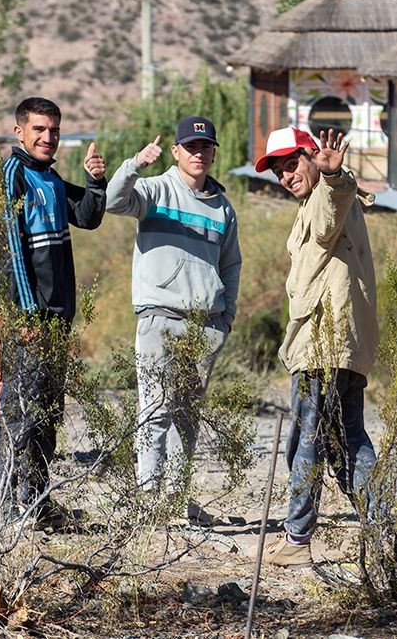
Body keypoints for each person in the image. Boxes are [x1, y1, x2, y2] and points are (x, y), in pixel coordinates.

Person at [104, 117, 241, 526]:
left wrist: (226, 316)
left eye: (206, 147)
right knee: (155, 410)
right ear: (177, 151)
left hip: (206, 324)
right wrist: (134, 164)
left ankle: (177, 500)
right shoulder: (154, 190)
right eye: (191, 147)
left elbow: (231, 263)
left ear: (213, 152)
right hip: (159, 317)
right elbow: (113, 202)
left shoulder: (223, 206)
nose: (199, 154)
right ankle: (149, 503)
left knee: (186, 415)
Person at [253, 126, 379, 567]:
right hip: (343, 345)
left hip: (324, 346)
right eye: (279, 171)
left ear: (312, 156)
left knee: (307, 440)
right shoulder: (313, 203)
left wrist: (332, 176)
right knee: (349, 443)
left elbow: (330, 214)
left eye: (292, 164)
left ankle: (298, 537)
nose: (287, 176)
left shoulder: (328, 196)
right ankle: (385, 530)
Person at [0, 96, 106, 531]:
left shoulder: (51, 177)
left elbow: (88, 216)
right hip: (31, 320)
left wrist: (96, 181)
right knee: (20, 413)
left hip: (58, 318)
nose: (47, 137)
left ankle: (38, 502)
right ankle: (5, 506)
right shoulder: (15, 176)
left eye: (54, 130)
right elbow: (11, 249)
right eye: (39, 129)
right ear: (19, 131)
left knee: (47, 413)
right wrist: (26, 316)